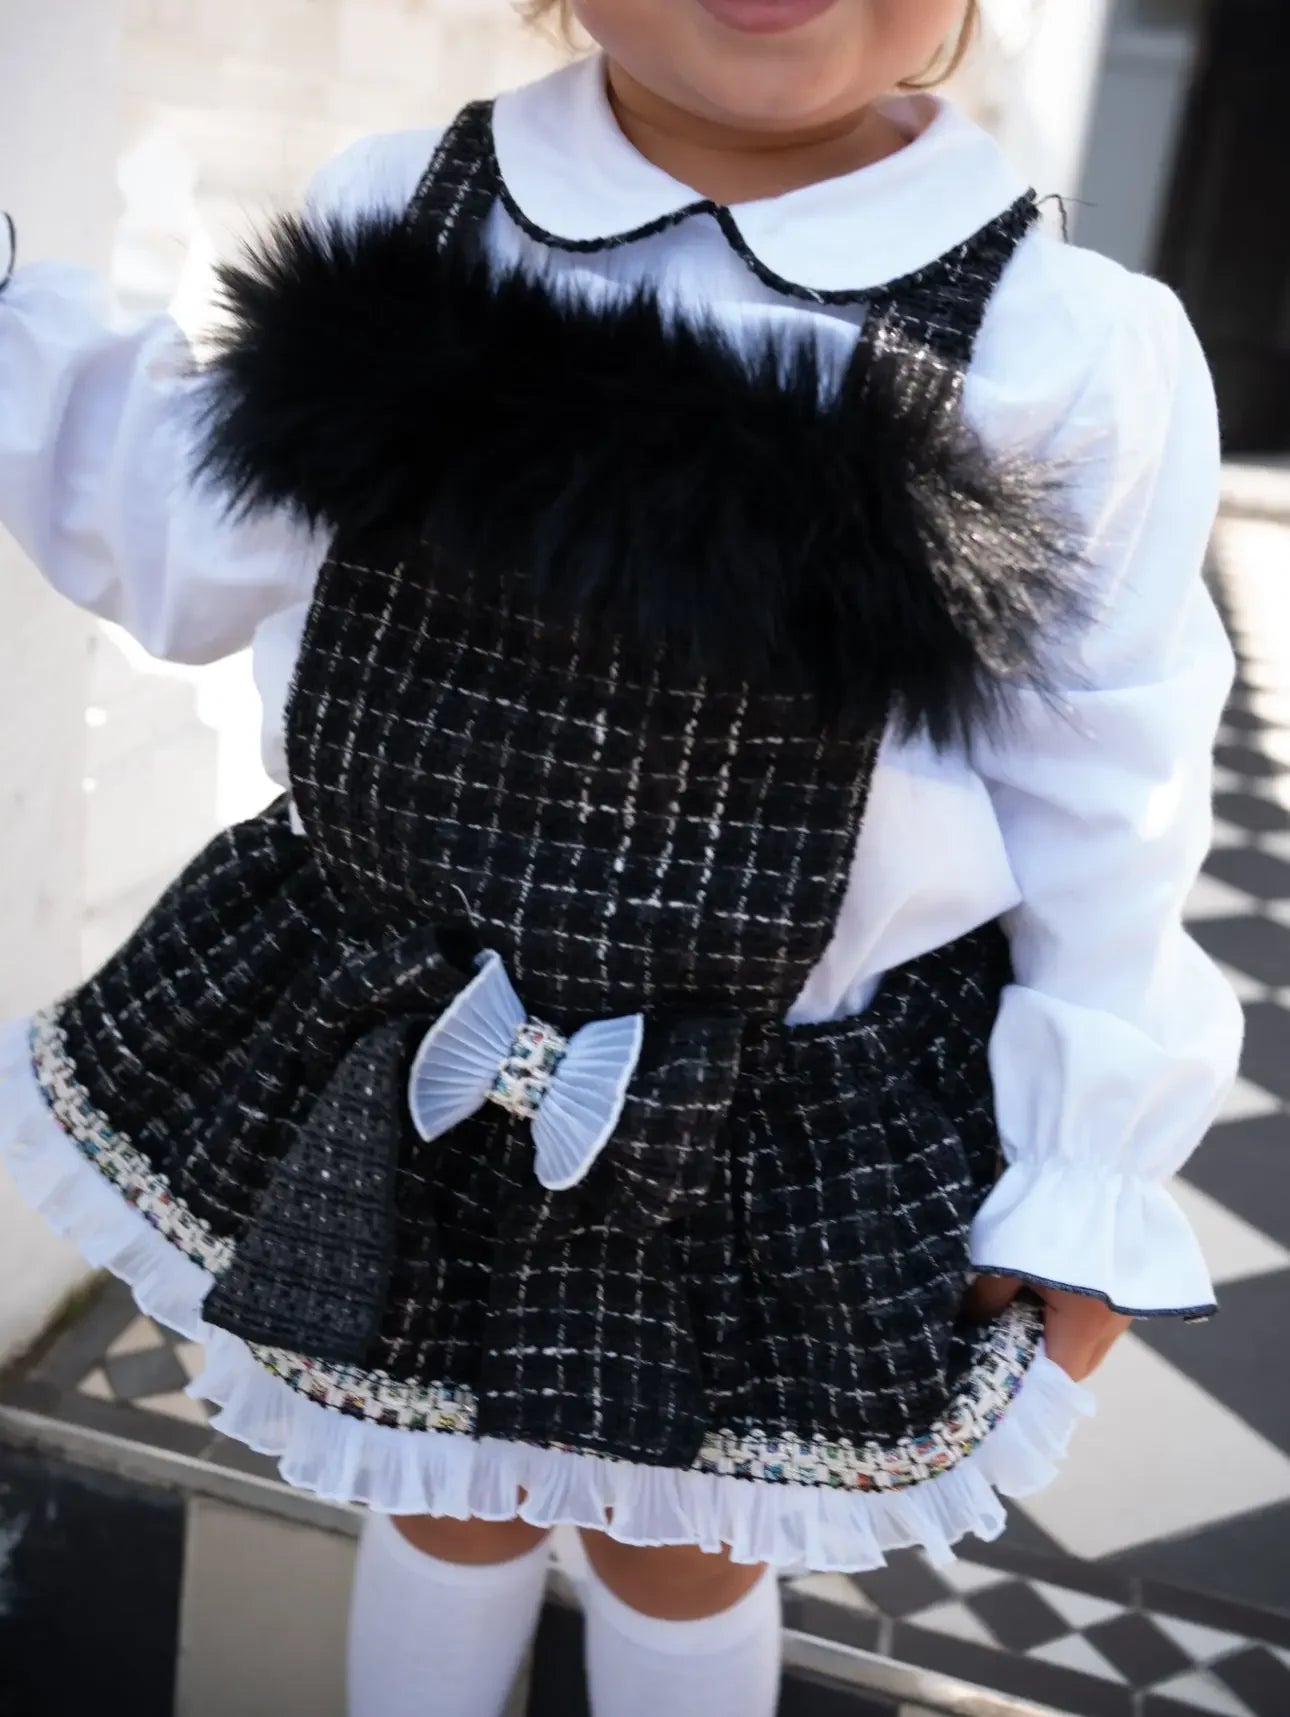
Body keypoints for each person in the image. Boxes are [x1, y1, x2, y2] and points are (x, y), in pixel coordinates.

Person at [0, 3, 1243, 1714]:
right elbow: (198, 524)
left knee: (688, 1540)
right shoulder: (407, 216)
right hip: (396, 1037)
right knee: (441, 1492)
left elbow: (1108, 784)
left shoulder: (1066, 342)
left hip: (765, 1109)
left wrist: (1085, 1155)